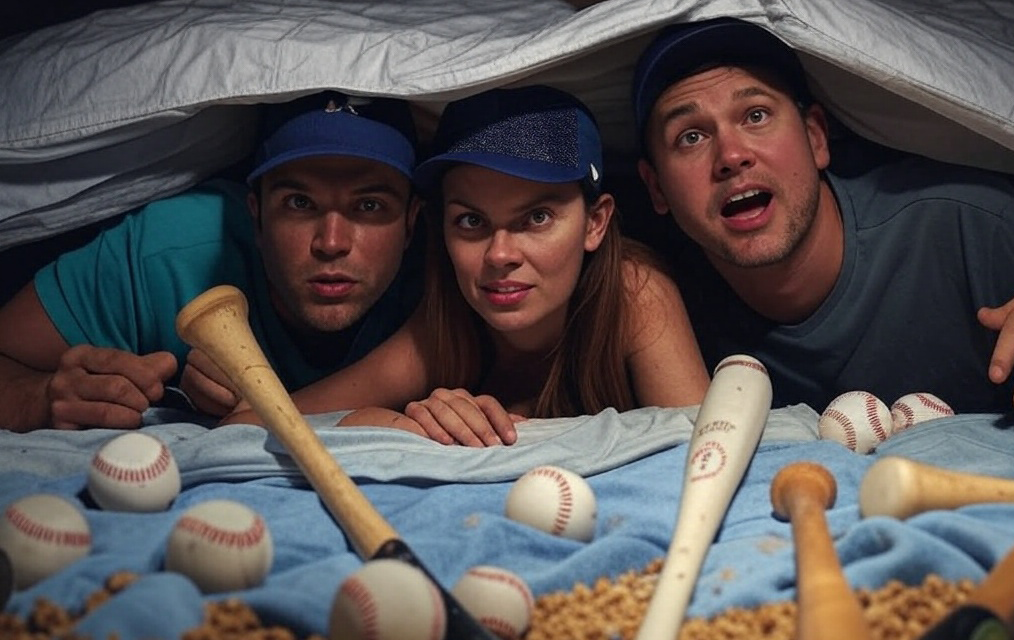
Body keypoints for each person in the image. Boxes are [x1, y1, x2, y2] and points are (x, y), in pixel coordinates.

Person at [222, 85, 710, 445]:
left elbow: (709, 450)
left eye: (537, 218)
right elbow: (249, 423)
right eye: (471, 221)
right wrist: (392, 424)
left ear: (595, 223)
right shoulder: (446, 322)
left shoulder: (634, 293)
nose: (500, 255)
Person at [631, 16, 1014, 415]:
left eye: (755, 115)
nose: (731, 156)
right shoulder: (657, 291)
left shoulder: (970, 224)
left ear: (816, 138)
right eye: (691, 137)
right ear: (657, 188)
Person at [0, 92, 423, 432]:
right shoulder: (171, 247)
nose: (331, 243)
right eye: (299, 202)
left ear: (411, 222)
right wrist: (38, 397)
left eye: (369, 205)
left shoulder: (450, 266)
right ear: (255, 215)